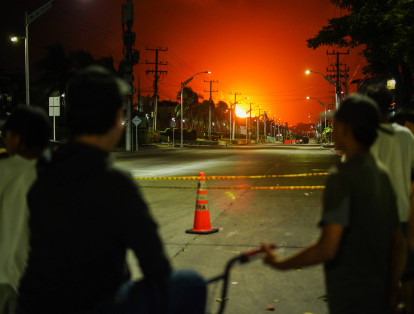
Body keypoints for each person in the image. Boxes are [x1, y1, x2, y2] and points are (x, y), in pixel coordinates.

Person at [16, 66, 206, 314]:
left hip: (33, 304)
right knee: (190, 283)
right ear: (116, 119)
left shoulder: (38, 172)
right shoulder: (115, 183)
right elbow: (155, 265)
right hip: (96, 304)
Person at [261, 94, 405, 314]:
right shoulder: (382, 174)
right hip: (380, 296)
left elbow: (327, 248)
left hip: (350, 298)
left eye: (336, 122)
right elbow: (399, 244)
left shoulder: (342, 178)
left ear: (347, 129)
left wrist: (281, 263)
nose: (333, 127)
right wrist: (393, 289)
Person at [0, 106, 51, 314]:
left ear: (18, 139)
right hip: (44, 283)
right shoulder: (57, 176)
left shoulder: (4, 171)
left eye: (7, 136)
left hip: (6, 279)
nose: (4, 140)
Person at [367, 85, 414, 313]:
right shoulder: (406, 135)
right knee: (406, 270)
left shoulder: (366, 136)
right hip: (403, 213)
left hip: (376, 216)